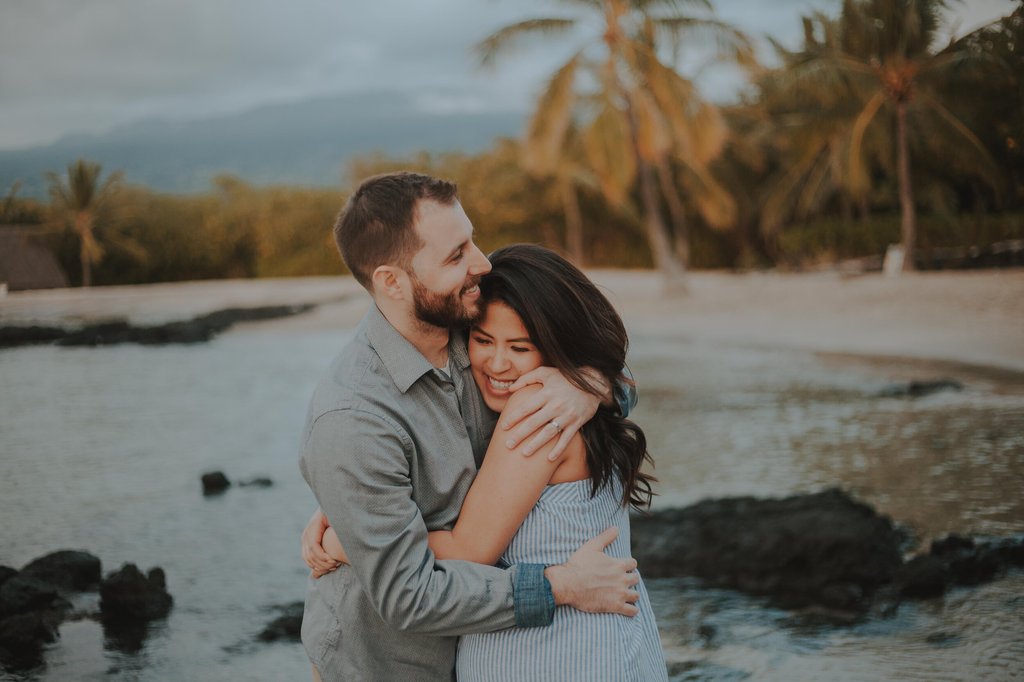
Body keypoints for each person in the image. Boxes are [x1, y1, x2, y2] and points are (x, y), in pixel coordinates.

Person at [298, 172, 641, 681]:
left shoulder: (474, 325)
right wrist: (559, 587)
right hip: (385, 668)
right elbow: (410, 596)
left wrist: (588, 386)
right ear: (392, 282)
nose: (481, 263)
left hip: (495, 652)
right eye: (456, 255)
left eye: (472, 240)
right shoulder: (354, 420)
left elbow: (586, 353)